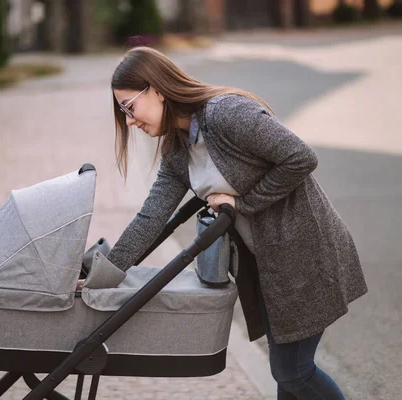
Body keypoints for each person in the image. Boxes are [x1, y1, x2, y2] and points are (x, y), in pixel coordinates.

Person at [101, 46, 367, 400]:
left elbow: (301, 157)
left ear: (157, 90)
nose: (130, 121)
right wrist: (104, 275)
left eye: (129, 108)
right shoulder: (177, 151)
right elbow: (151, 217)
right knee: (287, 377)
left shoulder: (226, 114)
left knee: (293, 371)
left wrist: (243, 203)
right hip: (269, 272)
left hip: (305, 254)